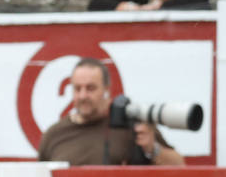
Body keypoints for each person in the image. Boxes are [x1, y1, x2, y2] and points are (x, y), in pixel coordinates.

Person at [37, 57, 185, 167]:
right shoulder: (54, 135)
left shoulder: (132, 126)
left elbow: (179, 166)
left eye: (91, 88)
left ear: (107, 90)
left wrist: (153, 149)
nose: (83, 96)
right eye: (77, 88)